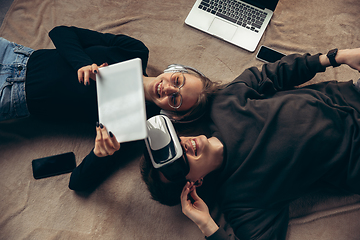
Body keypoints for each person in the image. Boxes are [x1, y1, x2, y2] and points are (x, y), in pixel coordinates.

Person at [141, 48, 360, 240]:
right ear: (193, 185)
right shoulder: (240, 201)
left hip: (351, 94)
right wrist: (206, 224)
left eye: (175, 142)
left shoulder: (223, 103)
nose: (185, 146)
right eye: (179, 161)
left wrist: (336, 56)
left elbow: (275, 73)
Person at [0, 25, 219, 124]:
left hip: (11, 96)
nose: (169, 88)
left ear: (173, 114)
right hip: (15, 54)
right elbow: (61, 32)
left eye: (176, 99)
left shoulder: (132, 122)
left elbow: (78, 182)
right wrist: (83, 63)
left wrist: (100, 153)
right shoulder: (135, 50)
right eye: (178, 81)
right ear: (174, 69)